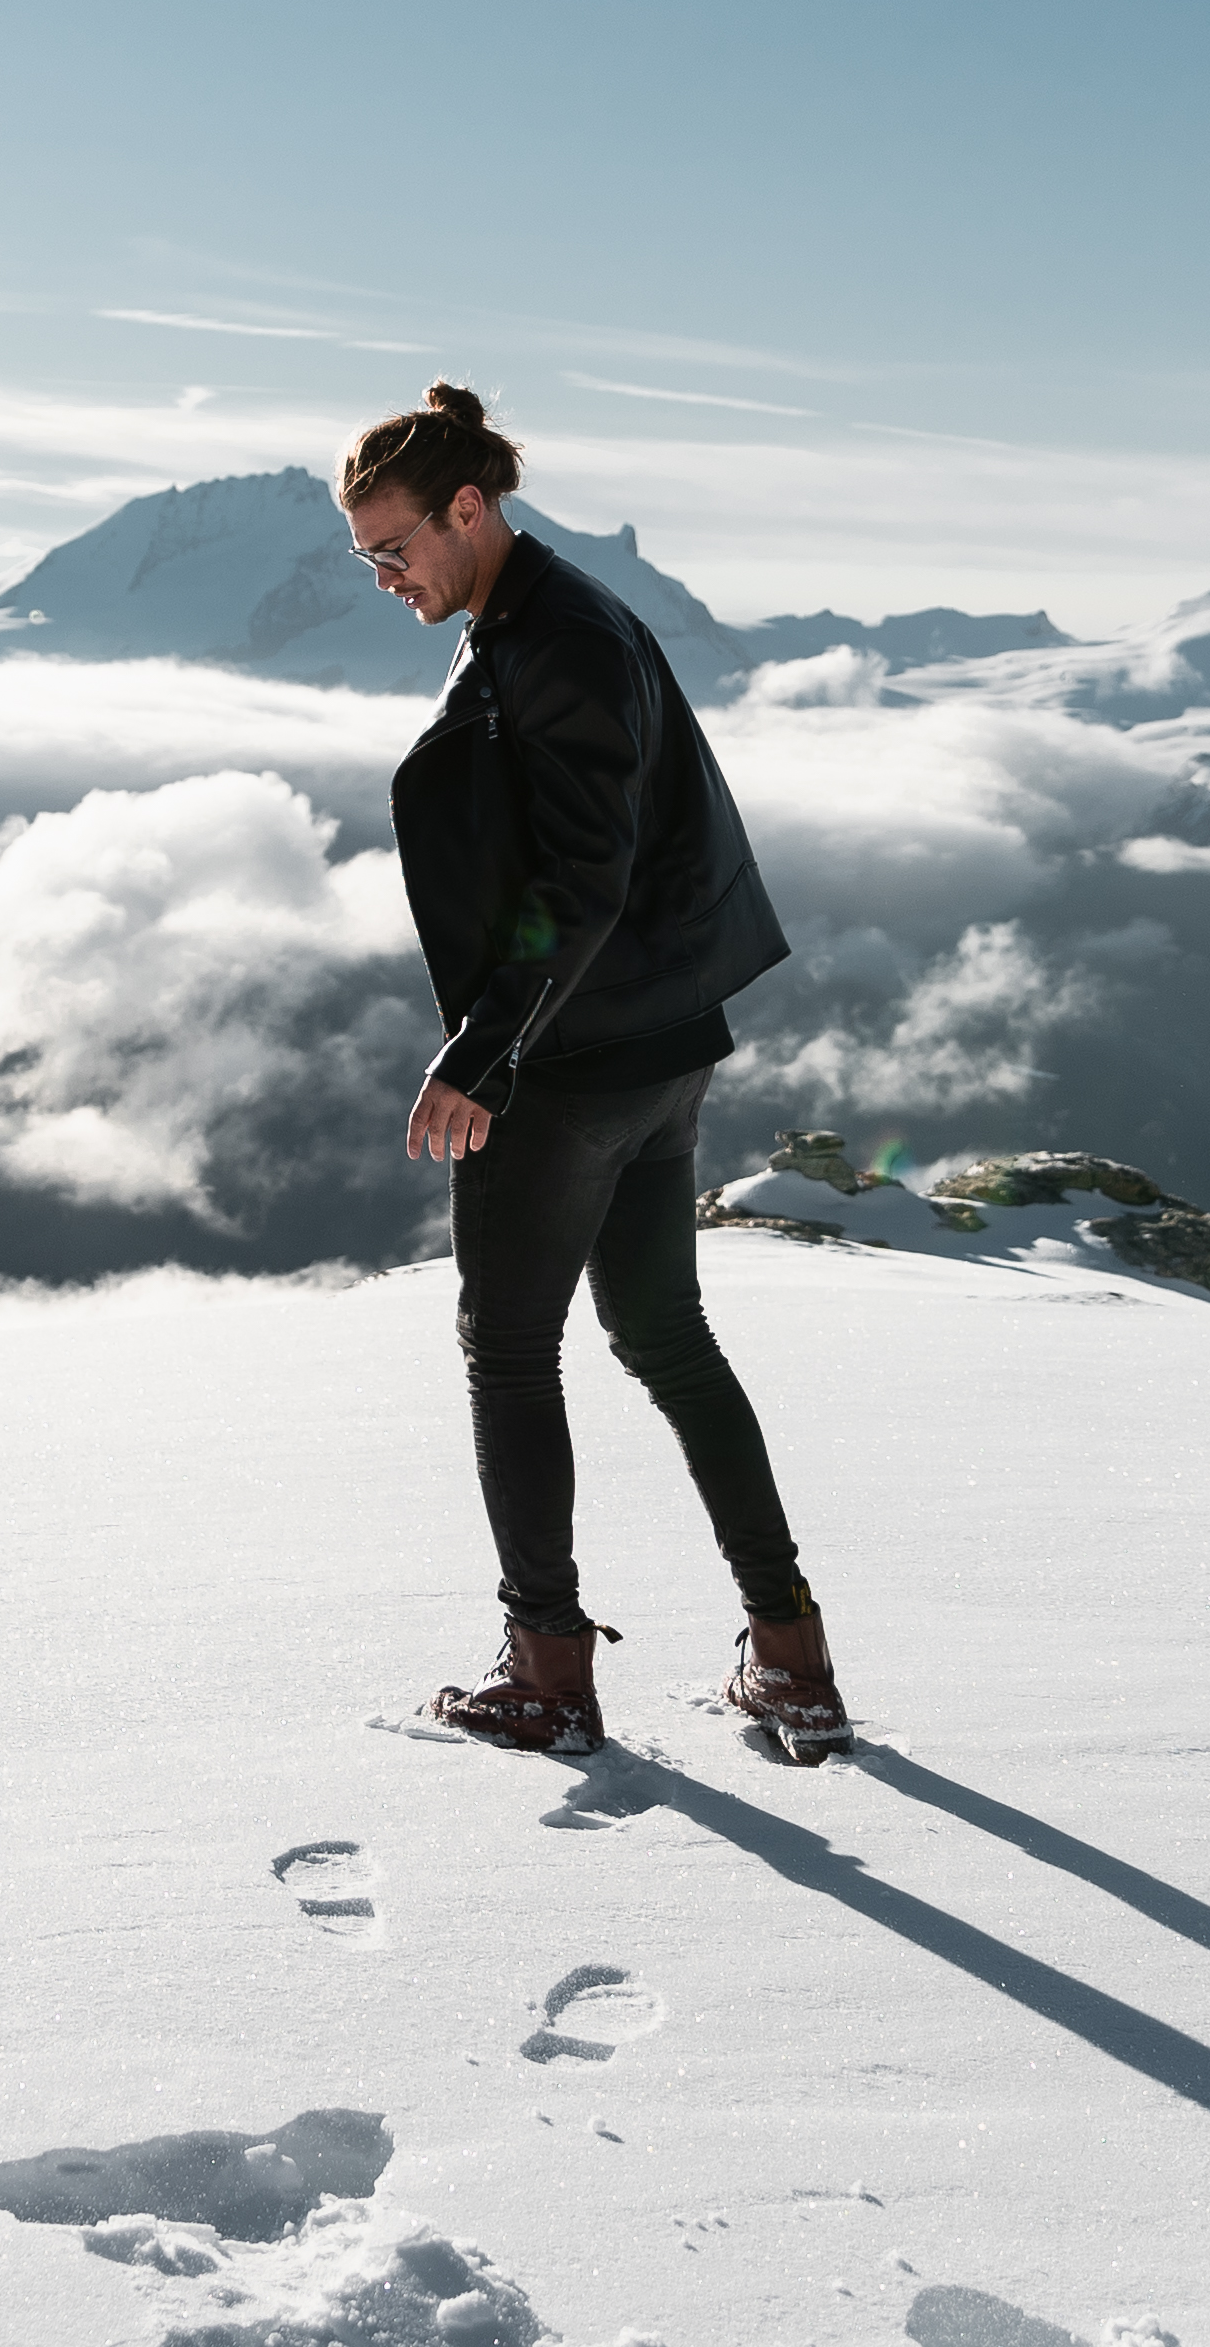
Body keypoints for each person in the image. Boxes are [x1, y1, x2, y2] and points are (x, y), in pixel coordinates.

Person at [344, 382, 851, 1765]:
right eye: (365, 559)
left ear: (470, 509)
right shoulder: (554, 615)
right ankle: (789, 1653)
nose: (384, 580)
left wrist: (483, 1054)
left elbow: (583, 877)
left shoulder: (554, 641)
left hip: (573, 1062)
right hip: (659, 1046)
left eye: (395, 549)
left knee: (509, 1352)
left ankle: (547, 1669)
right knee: (662, 1335)